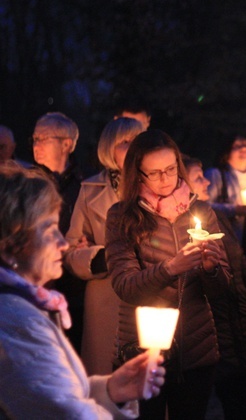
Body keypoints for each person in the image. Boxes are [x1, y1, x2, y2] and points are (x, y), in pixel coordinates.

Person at [0, 166, 166, 418]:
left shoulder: (23, 309)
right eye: (49, 230)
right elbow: (68, 413)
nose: (63, 243)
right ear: (9, 247)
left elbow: (55, 393)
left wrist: (110, 390)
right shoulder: (17, 322)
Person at [106, 130, 230, 420]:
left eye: (171, 169)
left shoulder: (200, 211)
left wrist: (211, 270)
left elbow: (223, 288)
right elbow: (125, 286)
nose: (165, 179)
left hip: (195, 351)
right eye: (155, 173)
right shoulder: (122, 216)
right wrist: (171, 268)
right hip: (142, 353)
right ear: (137, 175)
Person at [184, 155, 246, 419]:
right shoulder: (184, 222)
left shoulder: (216, 215)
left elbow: (238, 262)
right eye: (198, 177)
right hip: (214, 321)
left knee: (238, 401)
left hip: (235, 316)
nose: (207, 180)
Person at [64, 117, 145, 375]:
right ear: (109, 148)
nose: (133, 148)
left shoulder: (158, 184)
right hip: (106, 298)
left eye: (138, 141)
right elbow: (71, 249)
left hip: (148, 290)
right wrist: (101, 257)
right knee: (106, 382)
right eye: (125, 142)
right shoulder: (90, 191)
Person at [32, 111, 85, 352]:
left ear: (67, 144)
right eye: (34, 139)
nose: (36, 145)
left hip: (75, 292)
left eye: (44, 138)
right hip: (38, 287)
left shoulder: (86, 186)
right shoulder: (27, 185)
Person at [205, 134, 246, 282]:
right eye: (237, 146)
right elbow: (205, 207)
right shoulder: (216, 175)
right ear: (227, 152)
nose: (243, 149)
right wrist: (234, 209)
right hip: (232, 240)